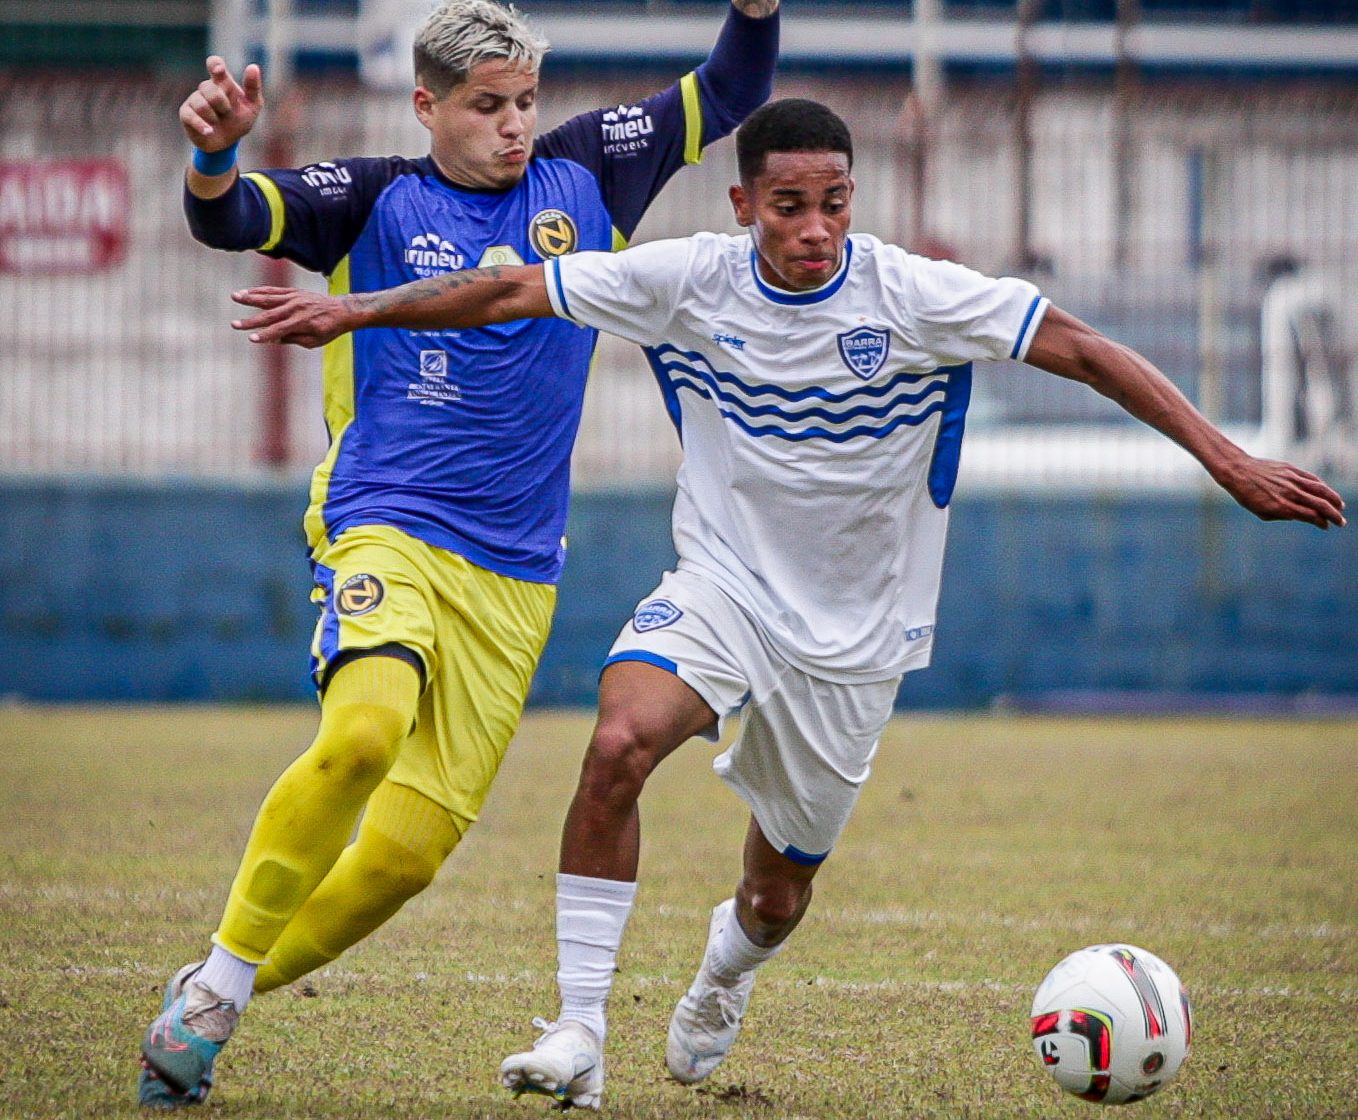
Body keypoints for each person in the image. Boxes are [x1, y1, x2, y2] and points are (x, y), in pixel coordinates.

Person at [229, 98, 1347, 1111]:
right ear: (743, 204)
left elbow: (1088, 351)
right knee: (616, 742)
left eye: (832, 204)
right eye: (787, 206)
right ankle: (577, 1029)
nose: (813, 228)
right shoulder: (691, 278)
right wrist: (358, 310)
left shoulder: (911, 295)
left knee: (774, 893)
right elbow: (510, 283)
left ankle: (723, 972)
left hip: (854, 640)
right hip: (720, 587)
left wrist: (1228, 460)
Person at [137, 0, 780, 1108]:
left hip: (517, 569)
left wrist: (757, 10)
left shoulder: (587, 174)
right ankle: (214, 992)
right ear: (427, 104)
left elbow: (728, 89)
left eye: (526, 101)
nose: (515, 125)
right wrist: (212, 154)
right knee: (365, 730)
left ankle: (214, 996)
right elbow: (234, 216)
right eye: (487, 106)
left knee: (404, 857)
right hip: (386, 515)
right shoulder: (375, 195)